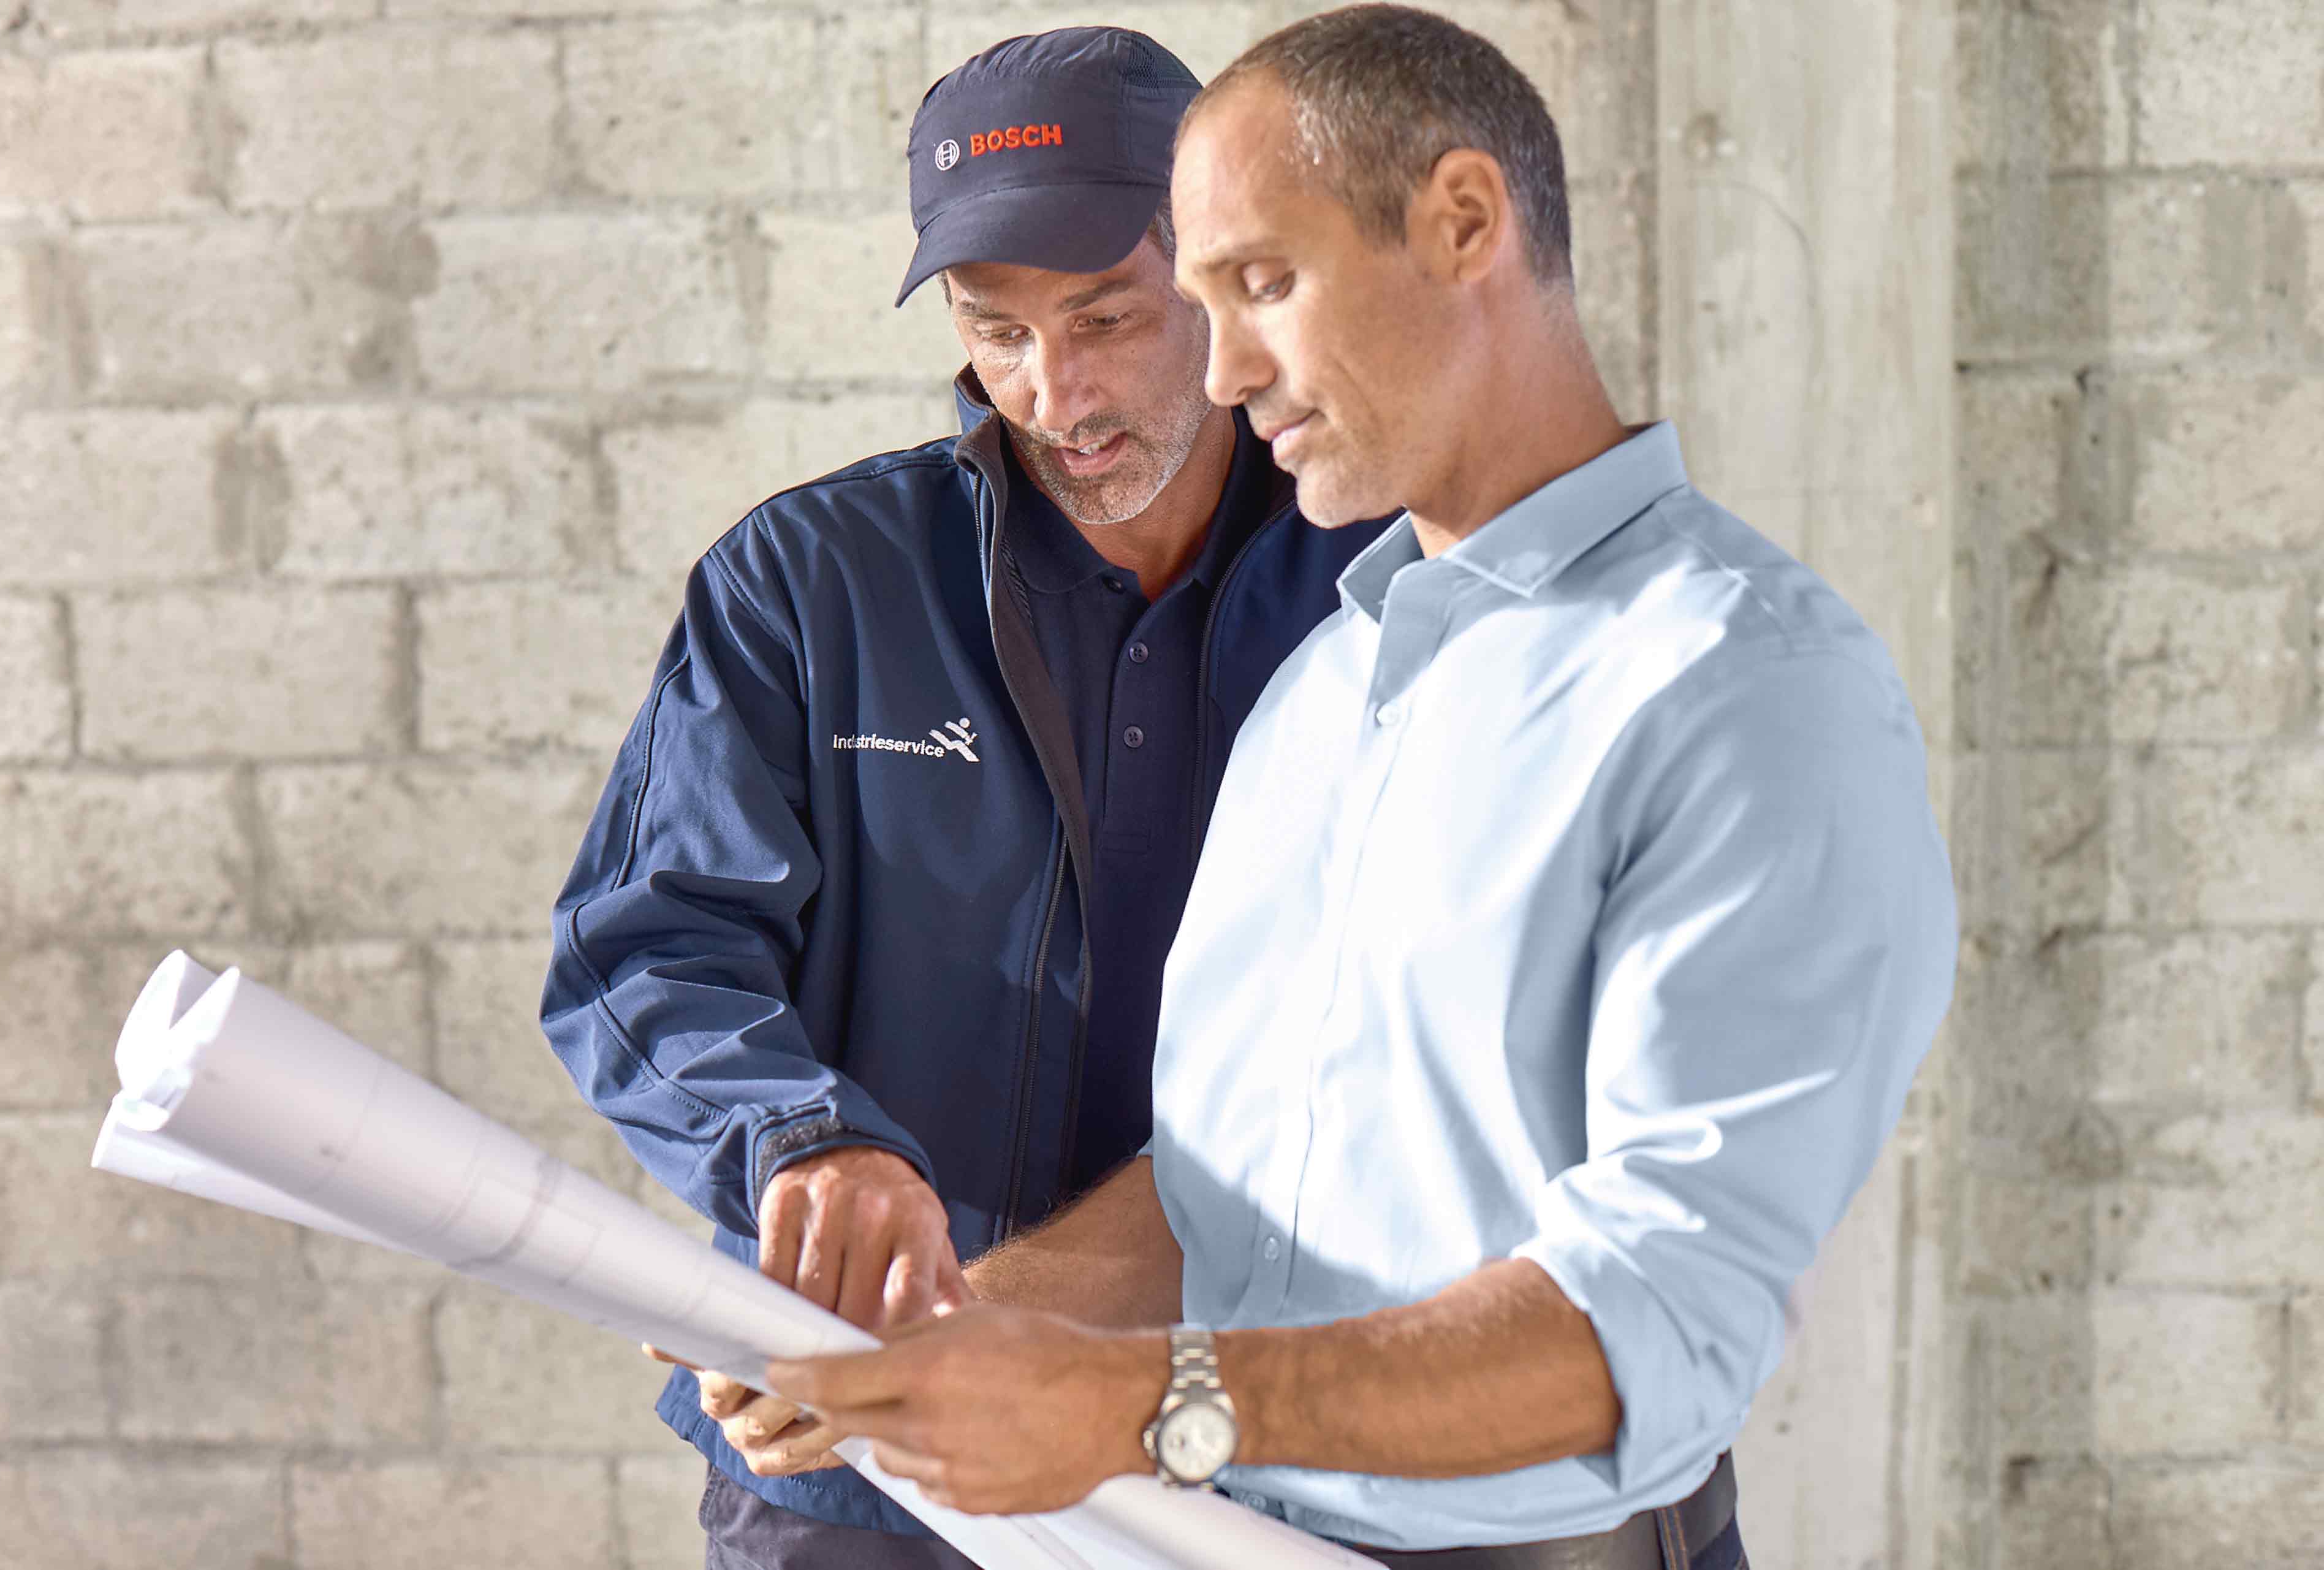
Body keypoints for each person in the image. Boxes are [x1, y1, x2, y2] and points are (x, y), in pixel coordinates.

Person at [758, 8, 1961, 1569]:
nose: (1226, 370)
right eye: (1202, 304)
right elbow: (1227, 1202)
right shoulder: (1327, 689)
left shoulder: (1744, 686)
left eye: (1264, 283)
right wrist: (925, 1342)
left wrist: (1144, 1405)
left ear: (1462, 221)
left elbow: (1658, 1319)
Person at [537, 25, 1391, 1570]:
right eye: (997, 331)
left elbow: (1423, 1038)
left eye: (1106, 317)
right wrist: (805, 1146)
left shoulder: (1390, 583)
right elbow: (647, 946)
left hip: (1240, 1446)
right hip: (866, 1477)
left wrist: (993, 1316)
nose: (1056, 394)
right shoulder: (810, 585)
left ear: (1224, 272)